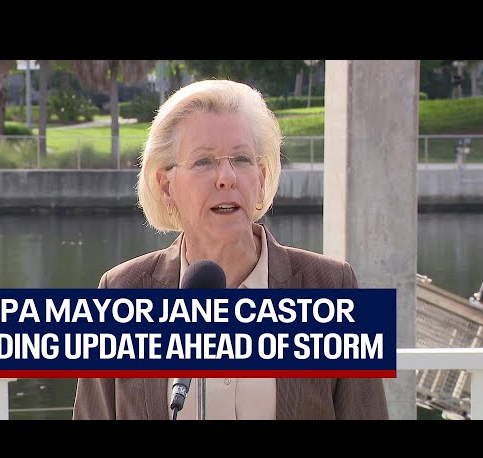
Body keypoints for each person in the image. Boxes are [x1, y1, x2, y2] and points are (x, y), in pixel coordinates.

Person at [72, 79, 389, 420]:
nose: (226, 178)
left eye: (241, 159)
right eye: (204, 162)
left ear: (262, 178)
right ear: (166, 186)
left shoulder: (332, 285)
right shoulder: (120, 292)